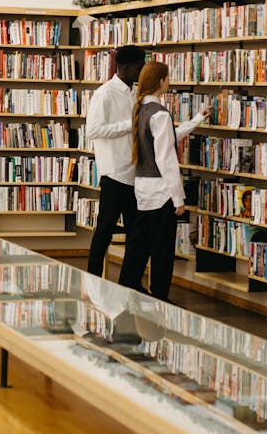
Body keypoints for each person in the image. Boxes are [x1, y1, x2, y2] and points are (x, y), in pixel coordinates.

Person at [119, 60, 208, 300]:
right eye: (168, 78)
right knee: (162, 250)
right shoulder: (159, 113)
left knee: (138, 246)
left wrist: (196, 120)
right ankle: (159, 296)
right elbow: (166, 158)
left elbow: (165, 139)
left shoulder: (140, 110)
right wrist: (178, 198)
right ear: (160, 81)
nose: (169, 82)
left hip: (143, 188)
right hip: (161, 191)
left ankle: (125, 288)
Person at [85, 44, 146, 276]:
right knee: (105, 230)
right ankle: (92, 280)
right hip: (114, 173)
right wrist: (130, 125)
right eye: (139, 68)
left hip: (135, 173)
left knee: (136, 234)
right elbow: (94, 130)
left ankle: (130, 282)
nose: (142, 72)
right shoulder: (105, 94)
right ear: (124, 67)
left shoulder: (137, 92)